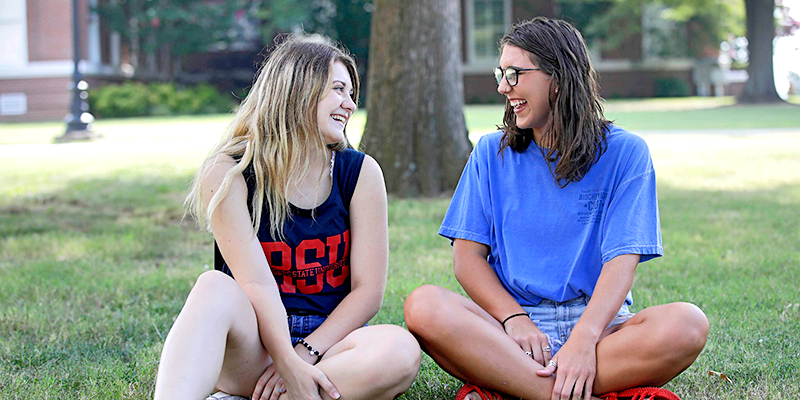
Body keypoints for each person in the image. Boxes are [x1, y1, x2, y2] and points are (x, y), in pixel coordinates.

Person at [403, 17, 709, 400]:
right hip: (512, 328)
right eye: (502, 73)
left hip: (600, 329)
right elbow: (467, 261)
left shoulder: (626, 154)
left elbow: (621, 263)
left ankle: (511, 386)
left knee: (687, 324)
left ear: (559, 78)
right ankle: (572, 391)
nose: (502, 87)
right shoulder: (488, 153)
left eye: (514, 74)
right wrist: (514, 319)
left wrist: (584, 338)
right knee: (424, 305)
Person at [154, 34, 420, 400]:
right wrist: (283, 359)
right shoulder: (230, 171)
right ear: (299, 89)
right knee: (213, 288)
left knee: (399, 350)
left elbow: (368, 292)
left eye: (351, 93)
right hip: (255, 343)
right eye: (338, 89)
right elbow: (256, 285)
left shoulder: (360, 172)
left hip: (328, 348)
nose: (350, 104)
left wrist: (302, 357)